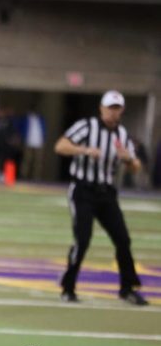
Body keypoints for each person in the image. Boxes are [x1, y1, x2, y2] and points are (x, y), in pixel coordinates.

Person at [54, 90, 148, 306]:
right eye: (110, 108)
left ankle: (127, 289)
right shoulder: (87, 126)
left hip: (106, 192)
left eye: (117, 109)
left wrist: (128, 160)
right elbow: (60, 146)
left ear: (122, 110)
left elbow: (136, 167)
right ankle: (68, 287)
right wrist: (84, 150)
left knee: (123, 239)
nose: (113, 113)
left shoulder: (122, 135)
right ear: (101, 108)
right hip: (82, 191)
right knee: (83, 239)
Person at [0, 107, 21, 182]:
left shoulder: (8, 122)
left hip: (6, 146)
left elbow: (12, 132)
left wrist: (12, 140)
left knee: (6, 160)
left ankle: (5, 175)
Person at [18, 105, 46, 181]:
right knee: (26, 160)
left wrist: (43, 139)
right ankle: (23, 176)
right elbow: (21, 128)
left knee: (38, 161)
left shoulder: (41, 119)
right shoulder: (26, 119)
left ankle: (36, 177)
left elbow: (43, 130)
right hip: (28, 142)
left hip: (39, 142)